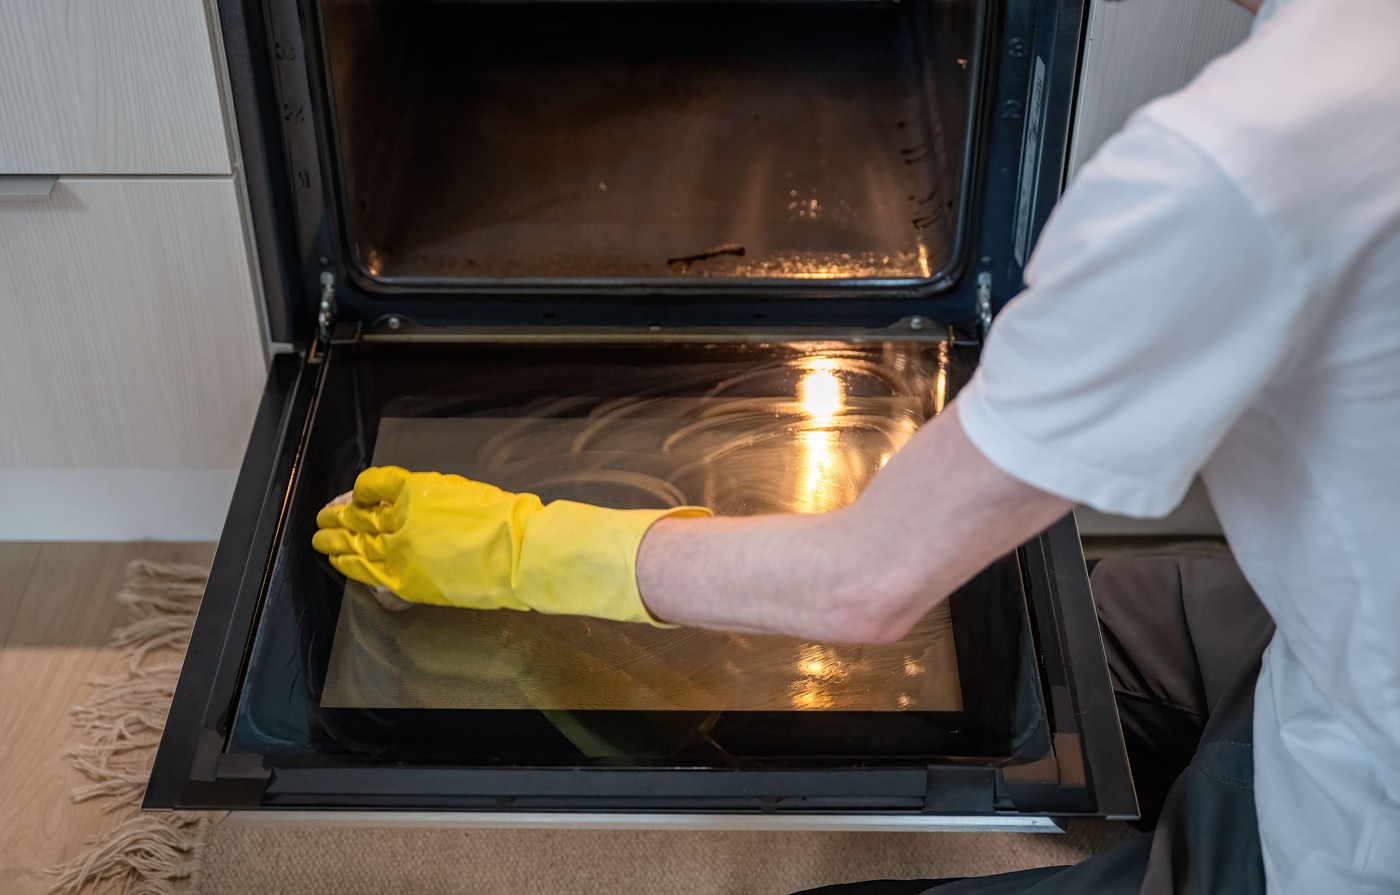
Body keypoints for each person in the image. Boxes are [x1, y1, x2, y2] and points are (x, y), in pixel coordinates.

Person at [312, 0, 1400, 890]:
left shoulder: (1243, 160)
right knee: (1027, 630)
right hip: (1297, 624)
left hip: (1360, 819)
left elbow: (864, 588)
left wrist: (526, 547)